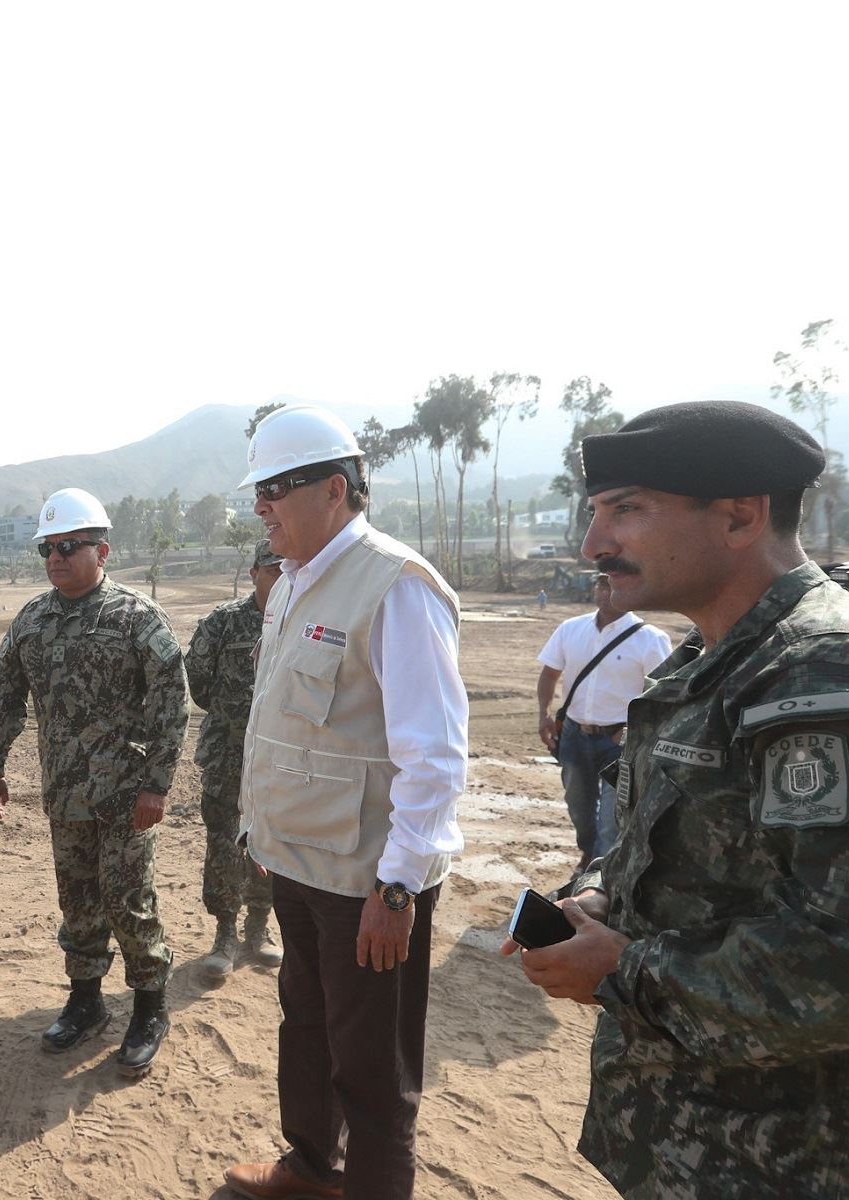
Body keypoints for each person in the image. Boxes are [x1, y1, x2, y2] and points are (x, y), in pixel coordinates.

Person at [501, 400, 849, 1197]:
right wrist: (603, 898)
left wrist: (625, 970)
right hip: (697, 1144)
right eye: (596, 512)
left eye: (626, 510)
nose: (594, 543)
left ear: (739, 517)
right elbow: (702, 857)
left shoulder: (840, 674)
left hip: (807, 1162)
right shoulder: (708, 663)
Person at [224, 406, 467, 1200]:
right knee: (306, 1030)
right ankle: (309, 1168)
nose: (260, 506)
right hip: (298, 864)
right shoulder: (293, 583)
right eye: (257, 491)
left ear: (335, 490)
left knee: (373, 1071)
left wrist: (397, 887)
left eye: (275, 489)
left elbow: (433, 758)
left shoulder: (397, 587)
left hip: (368, 883)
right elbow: (289, 727)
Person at [0, 487, 189, 1077]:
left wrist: (158, 783)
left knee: (128, 900)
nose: (56, 558)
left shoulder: (136, 618)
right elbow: (5, 694)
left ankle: (149, 1006)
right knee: (77, 901)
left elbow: (171, 703)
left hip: (128, 797)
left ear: (103, 551)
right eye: (47, 548)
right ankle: (86, 1001)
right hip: (65, 793)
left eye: (69, 546)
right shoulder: (32, 620)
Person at [184, 538, 285, 980]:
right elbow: (198, 684)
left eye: (289, 571)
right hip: (229, 754)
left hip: (283, 761)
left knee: (271, 844)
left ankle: (258, 929)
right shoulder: (221, 625)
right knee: (224, 845)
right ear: (255, 575)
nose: (282, 579)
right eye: (273, 571)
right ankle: (224, 934)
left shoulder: (304, 622)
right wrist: (235, 718)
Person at [535, 573, 672, 867]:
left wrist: (632, 730)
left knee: (611, 817)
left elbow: (664, 694)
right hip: (573, 735)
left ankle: (598, 872)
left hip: (620, 743)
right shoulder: (570, 629)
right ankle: (589, 852)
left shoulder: (650, 639)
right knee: (578, 807)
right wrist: (544, 714)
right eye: (601, 584)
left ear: (630, 589)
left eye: (612, 584)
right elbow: (549, 674)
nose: (604, 591)